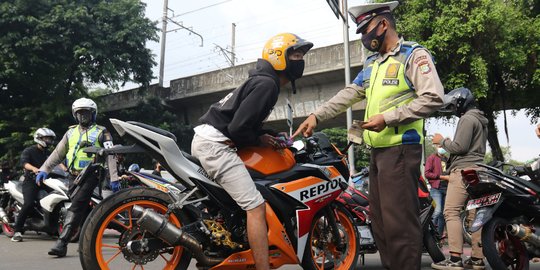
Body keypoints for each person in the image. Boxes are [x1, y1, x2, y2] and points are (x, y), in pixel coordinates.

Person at [293, 2, 444, 268]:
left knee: (399, 226)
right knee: (382, 226)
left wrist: (387, 118)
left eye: (366, 30)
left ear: (383, 25)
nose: (363, 37)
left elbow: (433, 97)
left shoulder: (412, 55)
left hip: (400, 151)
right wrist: (317, 116)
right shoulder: (373, 63)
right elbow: (349, 94)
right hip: (378, 154)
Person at [191, 33, 313, 270]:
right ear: (279, 57)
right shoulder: (267, 85)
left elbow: (243, 122)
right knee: (255, 207)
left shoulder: (263, 81)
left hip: (209, 140)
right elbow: (237, 128)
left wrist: (265, 135)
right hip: (216, 145)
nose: (300, 60)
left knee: (236, 203)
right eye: (296, 54)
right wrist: (259, 138)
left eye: (301, 55)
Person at [36, 98, 118, 257]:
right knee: (81, 209)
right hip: (73, 176)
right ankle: (87, 242)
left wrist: (113, 177)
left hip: (92, 174)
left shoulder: (102, 132)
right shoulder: (70, 132)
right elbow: (58, 153)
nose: (83, 116)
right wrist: (45, 168)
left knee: (75, 207)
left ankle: (62, 243)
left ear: (93, 114)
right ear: (75, 115)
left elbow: (111, 154)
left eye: (86, 112)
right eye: (79, 113)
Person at [431, 87, 488, 269]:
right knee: (475, 216)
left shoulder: (467, 119)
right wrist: (447, 157)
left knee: (451, 212)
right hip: (477, 170)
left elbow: (460, 147)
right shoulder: (480, 119)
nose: (453, 109)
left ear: (460, 102)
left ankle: (455, 259)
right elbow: (468, 150)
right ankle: (477, 259)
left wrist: (442, 141)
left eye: (454, 105)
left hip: (463, 173)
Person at [11, 128, 56, 242]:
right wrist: (34, 169)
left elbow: (57, 163)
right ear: (39, 138)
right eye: (46, 138)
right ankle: (17, 231)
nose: (49, 141)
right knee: (29, 203)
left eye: (50, 139)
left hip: (45, 181)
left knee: (55, 200)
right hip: (31, 181)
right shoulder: (29, 151)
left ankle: (52, 228)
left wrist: (67, 170)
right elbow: (25, 163)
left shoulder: (48, 153)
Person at [425, 144, 449, 238]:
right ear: (435, 146)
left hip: (446, 188)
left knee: (443, 214)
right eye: (439, 145)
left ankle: (438, 237)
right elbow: (427, 173)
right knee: (437, 211)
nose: (442, 148)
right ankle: (428, 235)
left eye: (443, 146)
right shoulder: (431, 158)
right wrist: (440, 177)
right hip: (436, 188)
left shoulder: (447, 159)